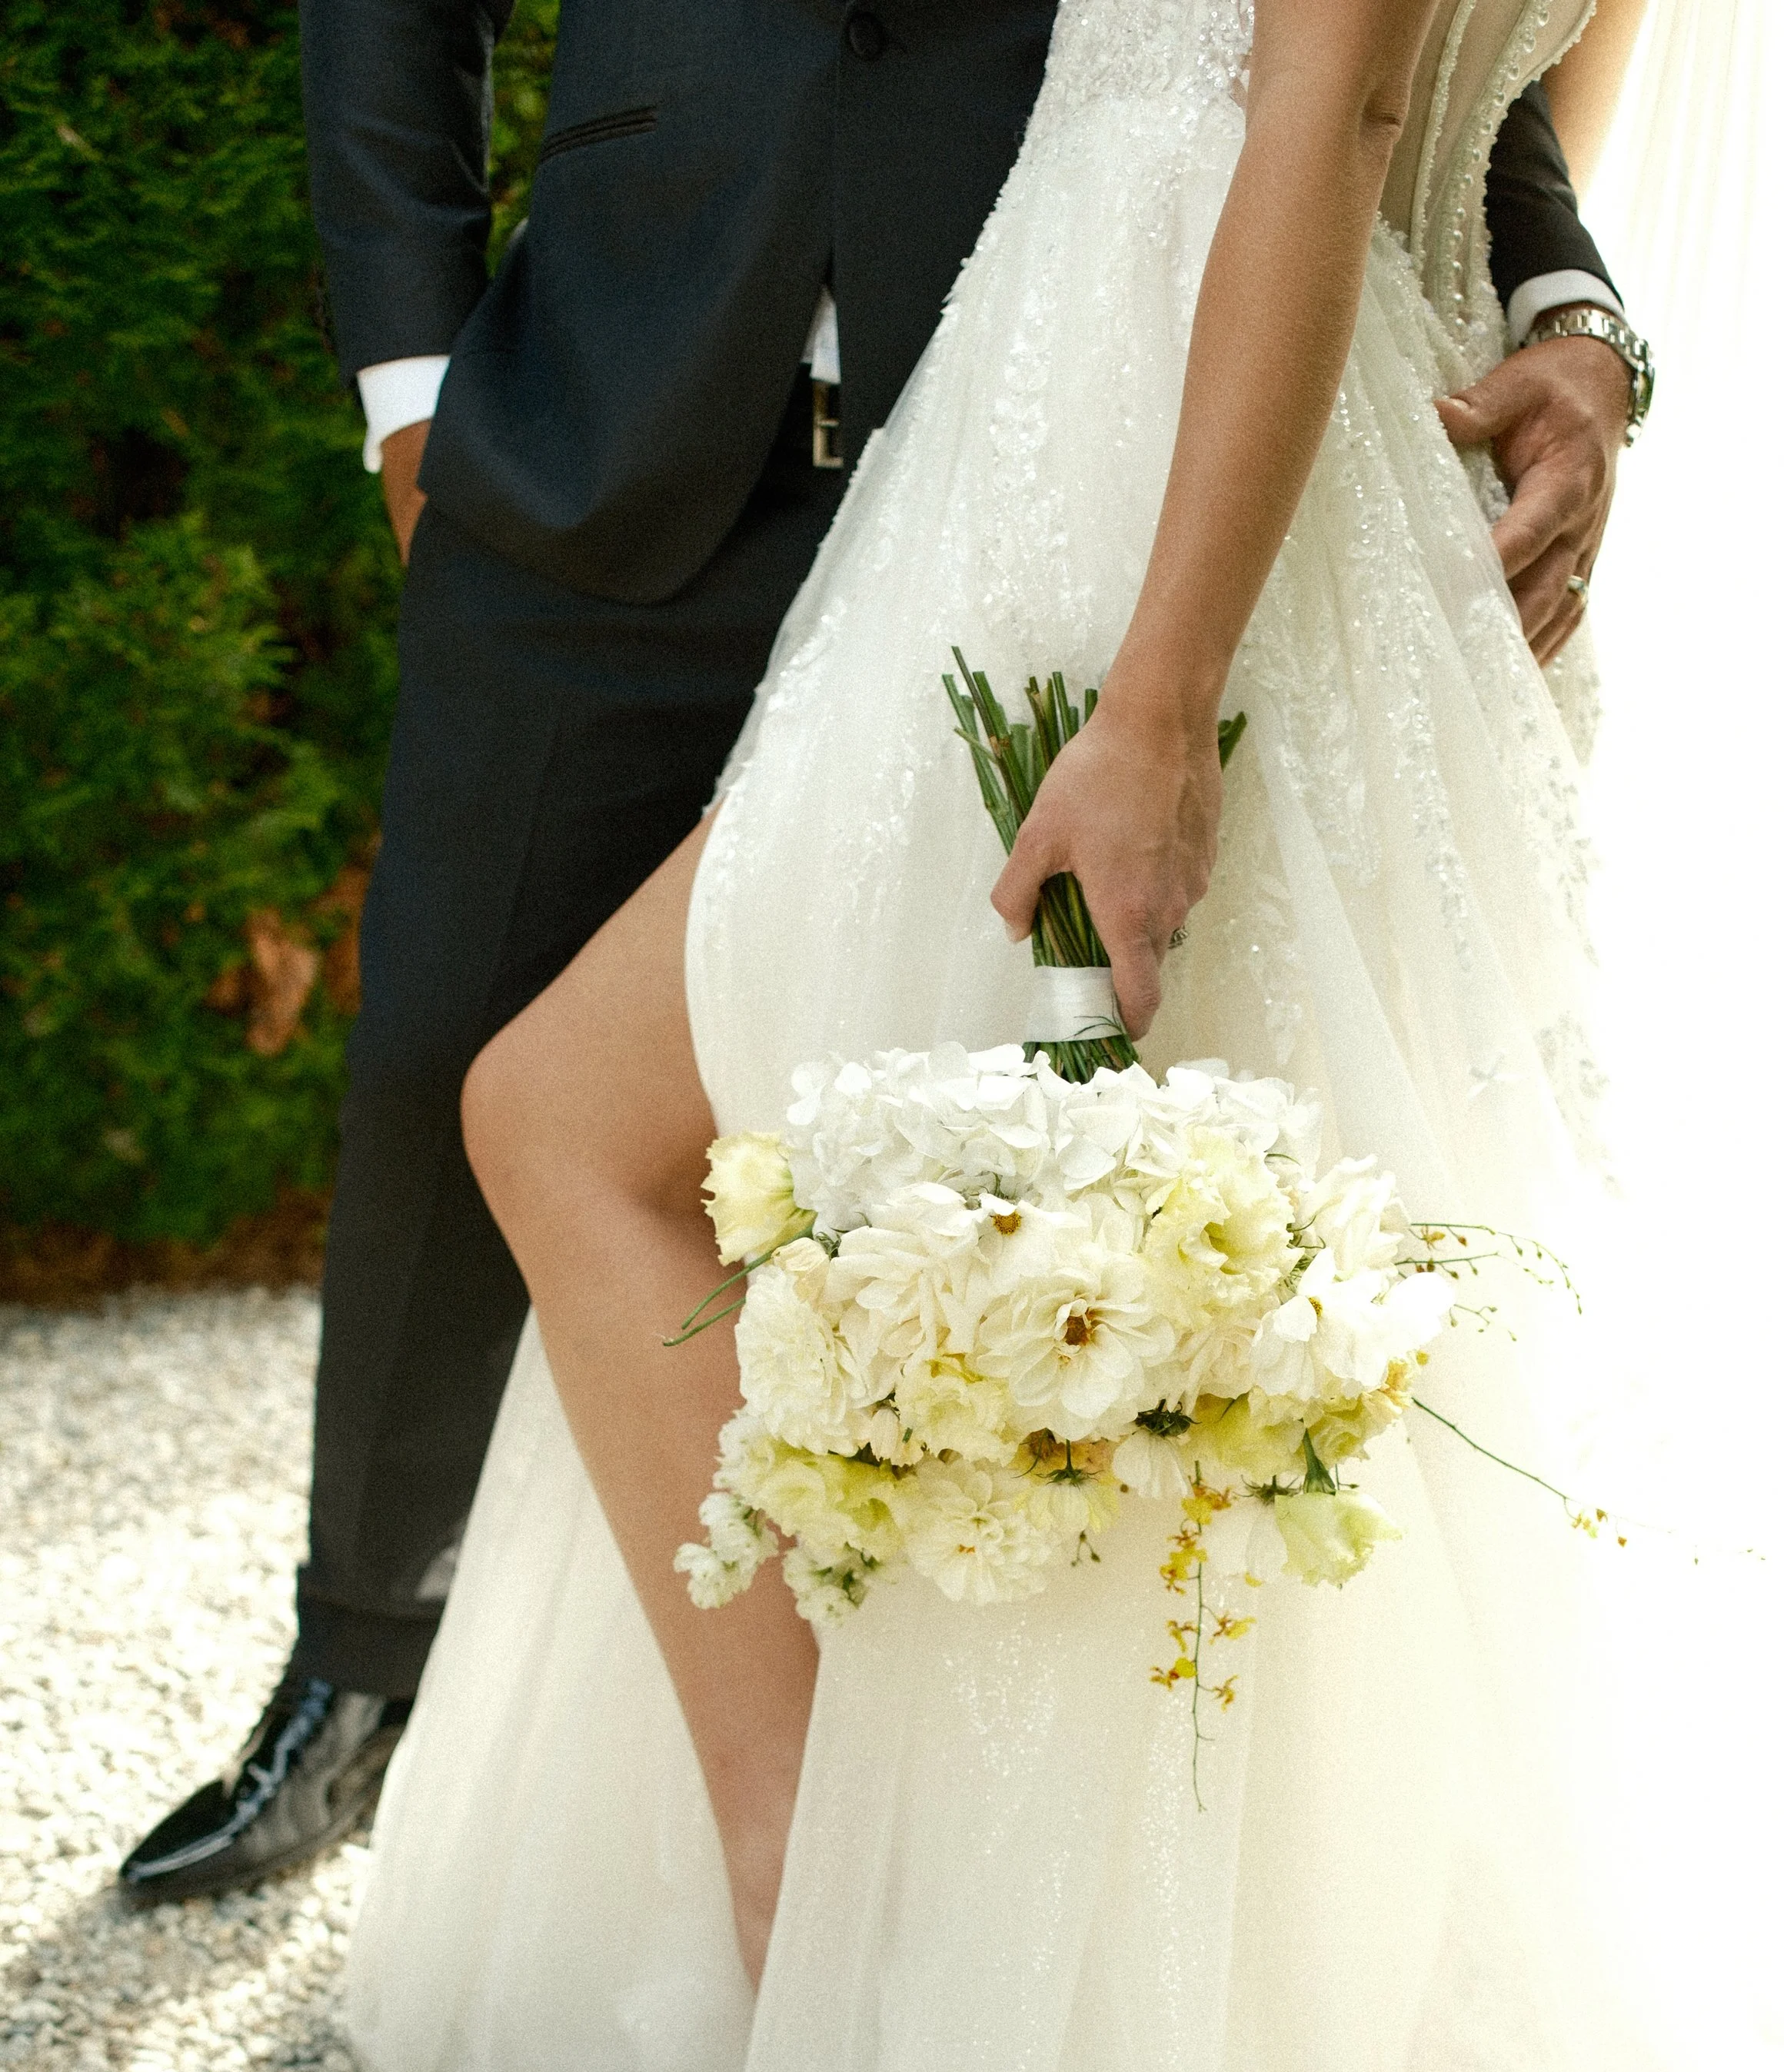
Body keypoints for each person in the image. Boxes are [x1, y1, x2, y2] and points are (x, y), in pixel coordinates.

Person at [364, 0, 1784, 2072]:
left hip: (1130, 481)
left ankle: (867, 1992)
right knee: (1164, 1279)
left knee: (646, 1138)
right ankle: (1009, 2015)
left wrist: (1160, 703)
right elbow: (1492, 136)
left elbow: (1323, 115)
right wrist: (1566, 328)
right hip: (1301, 472)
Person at [115, 0, 1624, 1908]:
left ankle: (924, 1833)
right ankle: (361, 1659)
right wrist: (416, 401)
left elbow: (1366, 73)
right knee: (455, 1043)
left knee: (949, 1157)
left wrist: (1564, 293)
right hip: (610, 400)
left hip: (1027, 446)